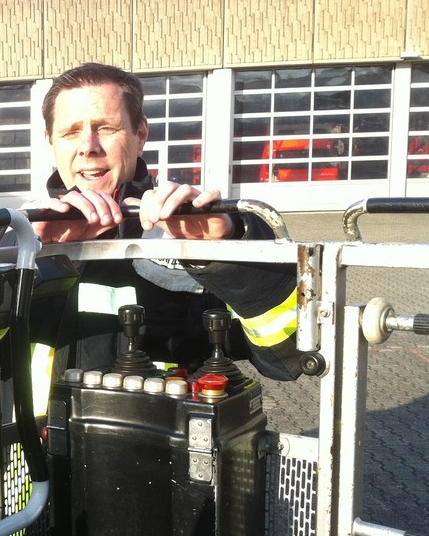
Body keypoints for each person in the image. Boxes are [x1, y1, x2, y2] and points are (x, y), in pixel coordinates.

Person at [28, 62, 302, 381]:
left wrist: (230, 248)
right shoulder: (11, 241)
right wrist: (29, 257)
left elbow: (288, 358)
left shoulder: (185, 235)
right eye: (71, 132)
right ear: (50, 141)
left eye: (106, 128)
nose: (88, 147)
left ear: (140, 134)